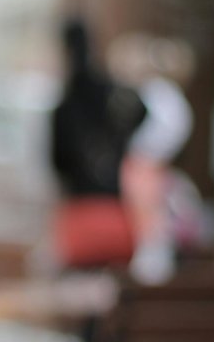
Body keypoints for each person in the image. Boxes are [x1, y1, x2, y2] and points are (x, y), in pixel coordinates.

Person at [48, 17, 147, 270]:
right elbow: (142, 112)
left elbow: (57, 163)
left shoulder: (66, 105)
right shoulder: (112, 94)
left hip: (81, 215)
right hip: (119, 215)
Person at [106, 34, 195, 285]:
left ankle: (152, 258)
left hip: (147, 162)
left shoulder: (158, 96)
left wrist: (143, 156)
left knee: (148, 213)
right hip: (147, 163)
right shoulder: (160, 96)